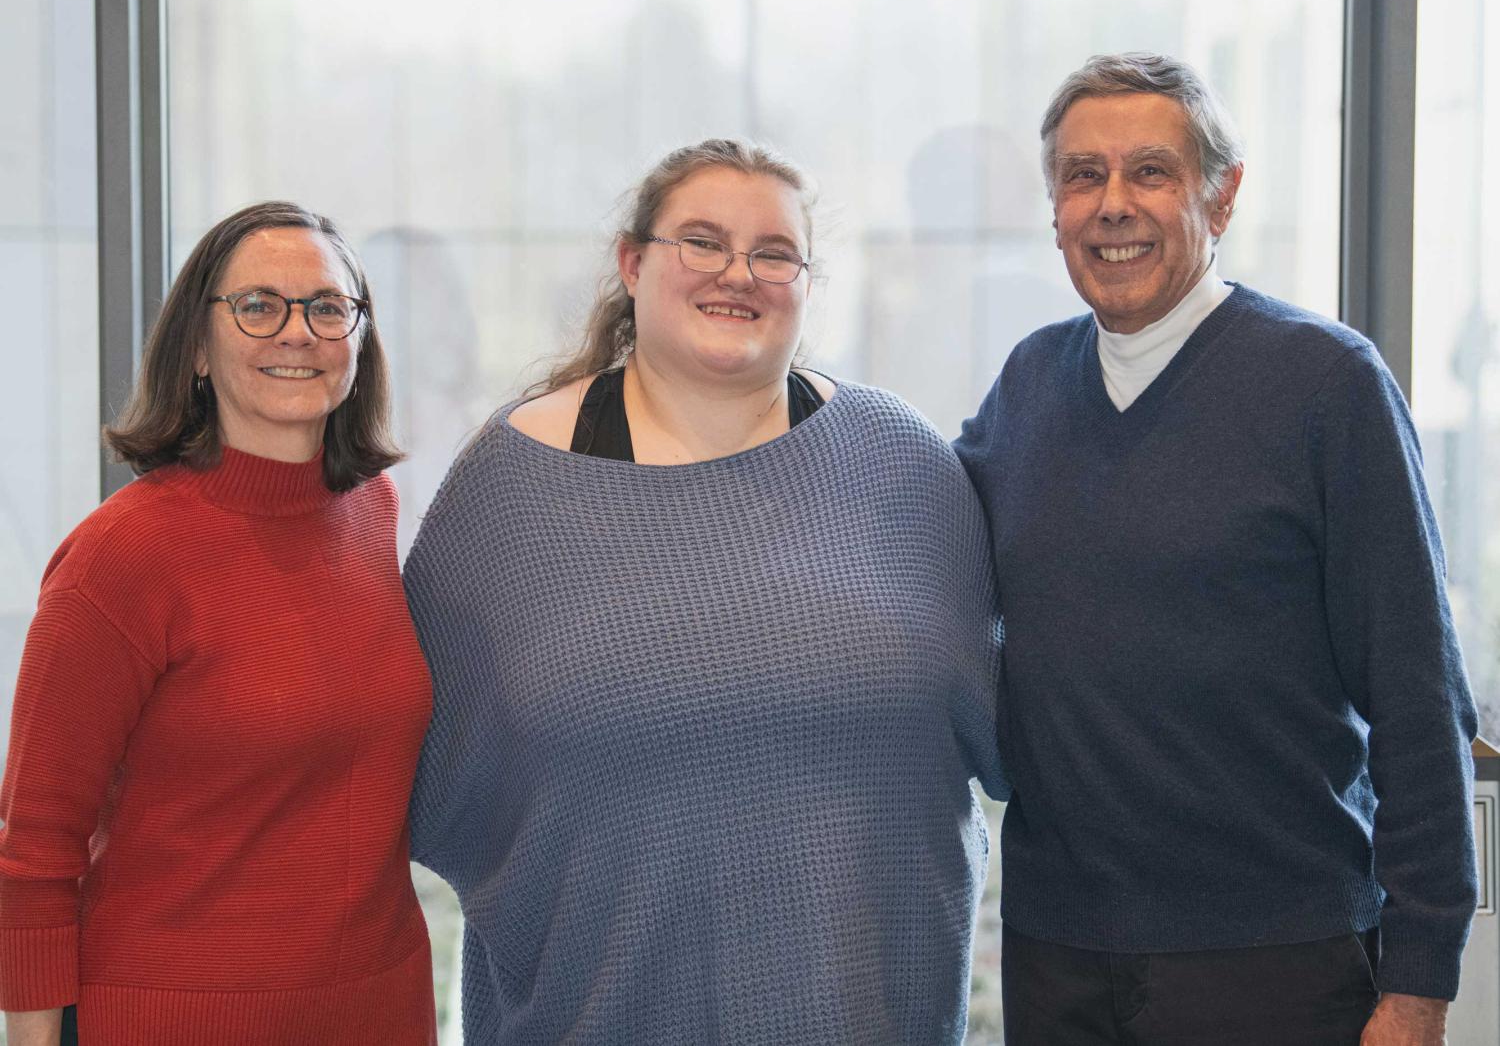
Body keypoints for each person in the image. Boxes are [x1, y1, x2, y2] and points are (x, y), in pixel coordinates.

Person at [404, 138, 1008, 1044]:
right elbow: (420, 779)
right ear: (632, 262)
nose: (739, 274)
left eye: (774, 252)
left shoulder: (900, 462)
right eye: (702, 241)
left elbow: (1015, 731)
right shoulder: (509, 486)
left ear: (808, 283)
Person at [955, 52, 1478, 1046]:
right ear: (1055, 209)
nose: (1113, 203)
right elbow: (908, 544)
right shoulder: (1027, 387)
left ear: (1222, 195)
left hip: (1278, 958)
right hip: (1057, 953)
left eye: (1150, 171)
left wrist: (1420, 982)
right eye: (1082, 175)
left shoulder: (1328, 385)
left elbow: (1418, 694)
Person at [0, 202, 436, 1046]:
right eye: (258, 305)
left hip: (379, 1012)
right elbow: (35, 852)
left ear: (359, 339)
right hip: (171, 1018)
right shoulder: (120, 557)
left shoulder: (373, 512)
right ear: (197, 348)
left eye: (327, 306)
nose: (297, 332)